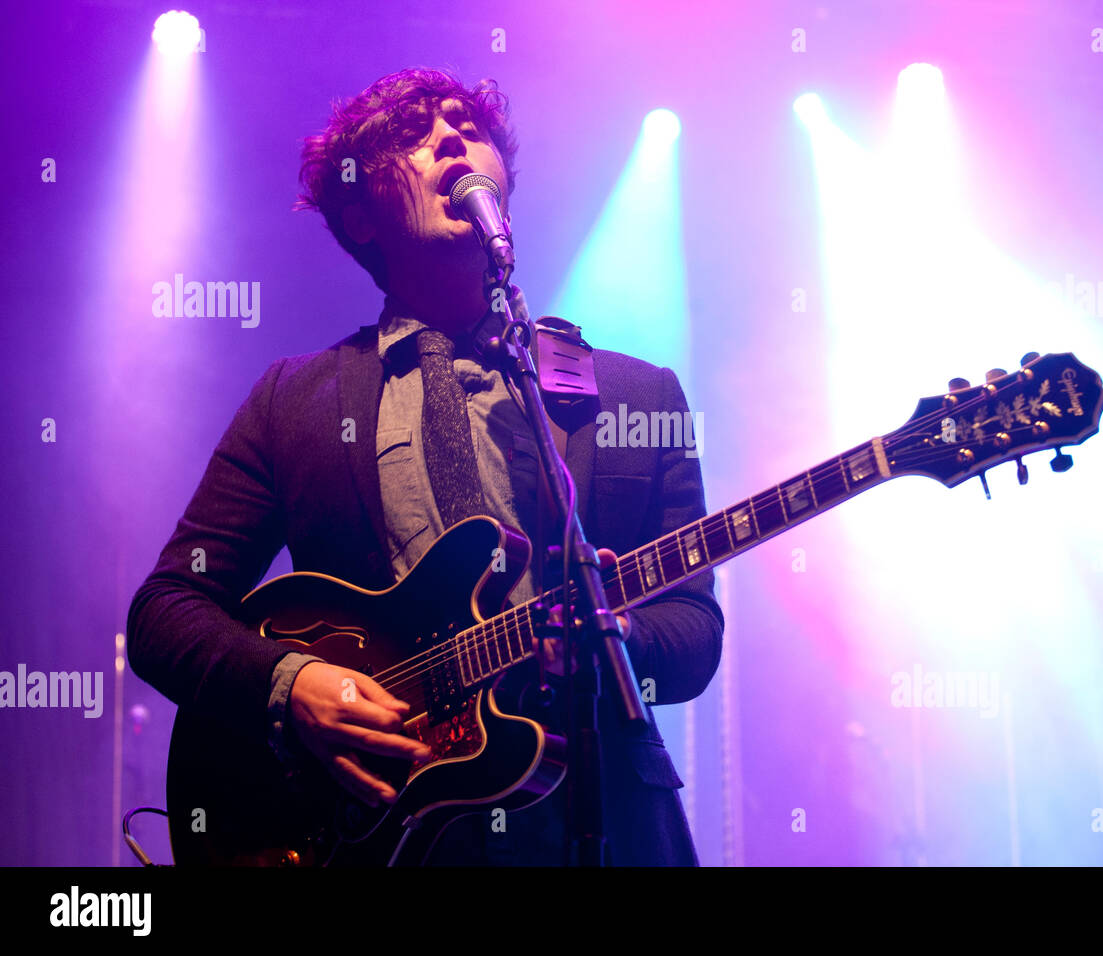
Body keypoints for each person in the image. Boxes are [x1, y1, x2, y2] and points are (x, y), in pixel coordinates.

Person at [126, 67, 723, 865]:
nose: (452, 137)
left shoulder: (632, 392)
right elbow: (167, 610)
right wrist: (291, 684)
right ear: (361, 216)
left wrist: (615, 644)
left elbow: (694, 631)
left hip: (606, 824)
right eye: (415, 136)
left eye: (469, 128)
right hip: (378, 834)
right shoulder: (293, 399)